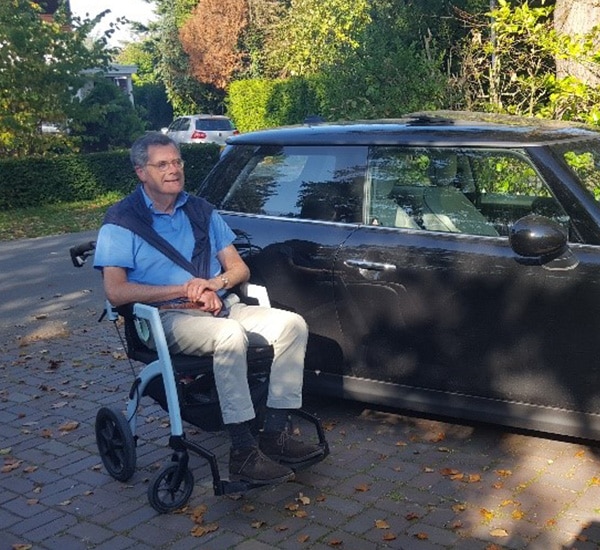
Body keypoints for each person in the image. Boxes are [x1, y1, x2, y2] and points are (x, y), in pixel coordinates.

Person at [93, 132, 323, 485]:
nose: (174, 170)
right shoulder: (122, 221)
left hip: (219, 306)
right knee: (229, 335)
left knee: (292, 325)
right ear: (141, 172)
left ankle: (275, 432)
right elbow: (116, 291)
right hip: (165, 317)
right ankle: (243, 451)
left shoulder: (201, 210)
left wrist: (212, 285)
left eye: (177, 162)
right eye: (163, 164)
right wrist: (185, 289)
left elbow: (238, 269)